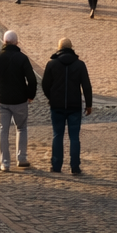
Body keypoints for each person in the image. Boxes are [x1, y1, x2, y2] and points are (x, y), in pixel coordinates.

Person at [0, 30, 39, 171]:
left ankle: (5, 163)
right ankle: (22, 158)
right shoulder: (22, 58)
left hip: (1, 100)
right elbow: (32, 80)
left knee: (3, 130)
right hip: (20, 100)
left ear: (4, 42)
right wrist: (30, 95)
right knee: (21, 128)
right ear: (16, 43)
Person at [42, 37, 93, 174]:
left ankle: (56, 166)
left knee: (57, 135)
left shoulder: (51, 64)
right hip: (74, 105)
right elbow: (86, 86)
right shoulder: (80, 64)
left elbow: (45, 84)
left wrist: (51, 97)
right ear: (71, 48)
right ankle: (75, 167)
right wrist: (88, 104)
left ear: (59, 48)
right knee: (74, 137)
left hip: (57, 105)